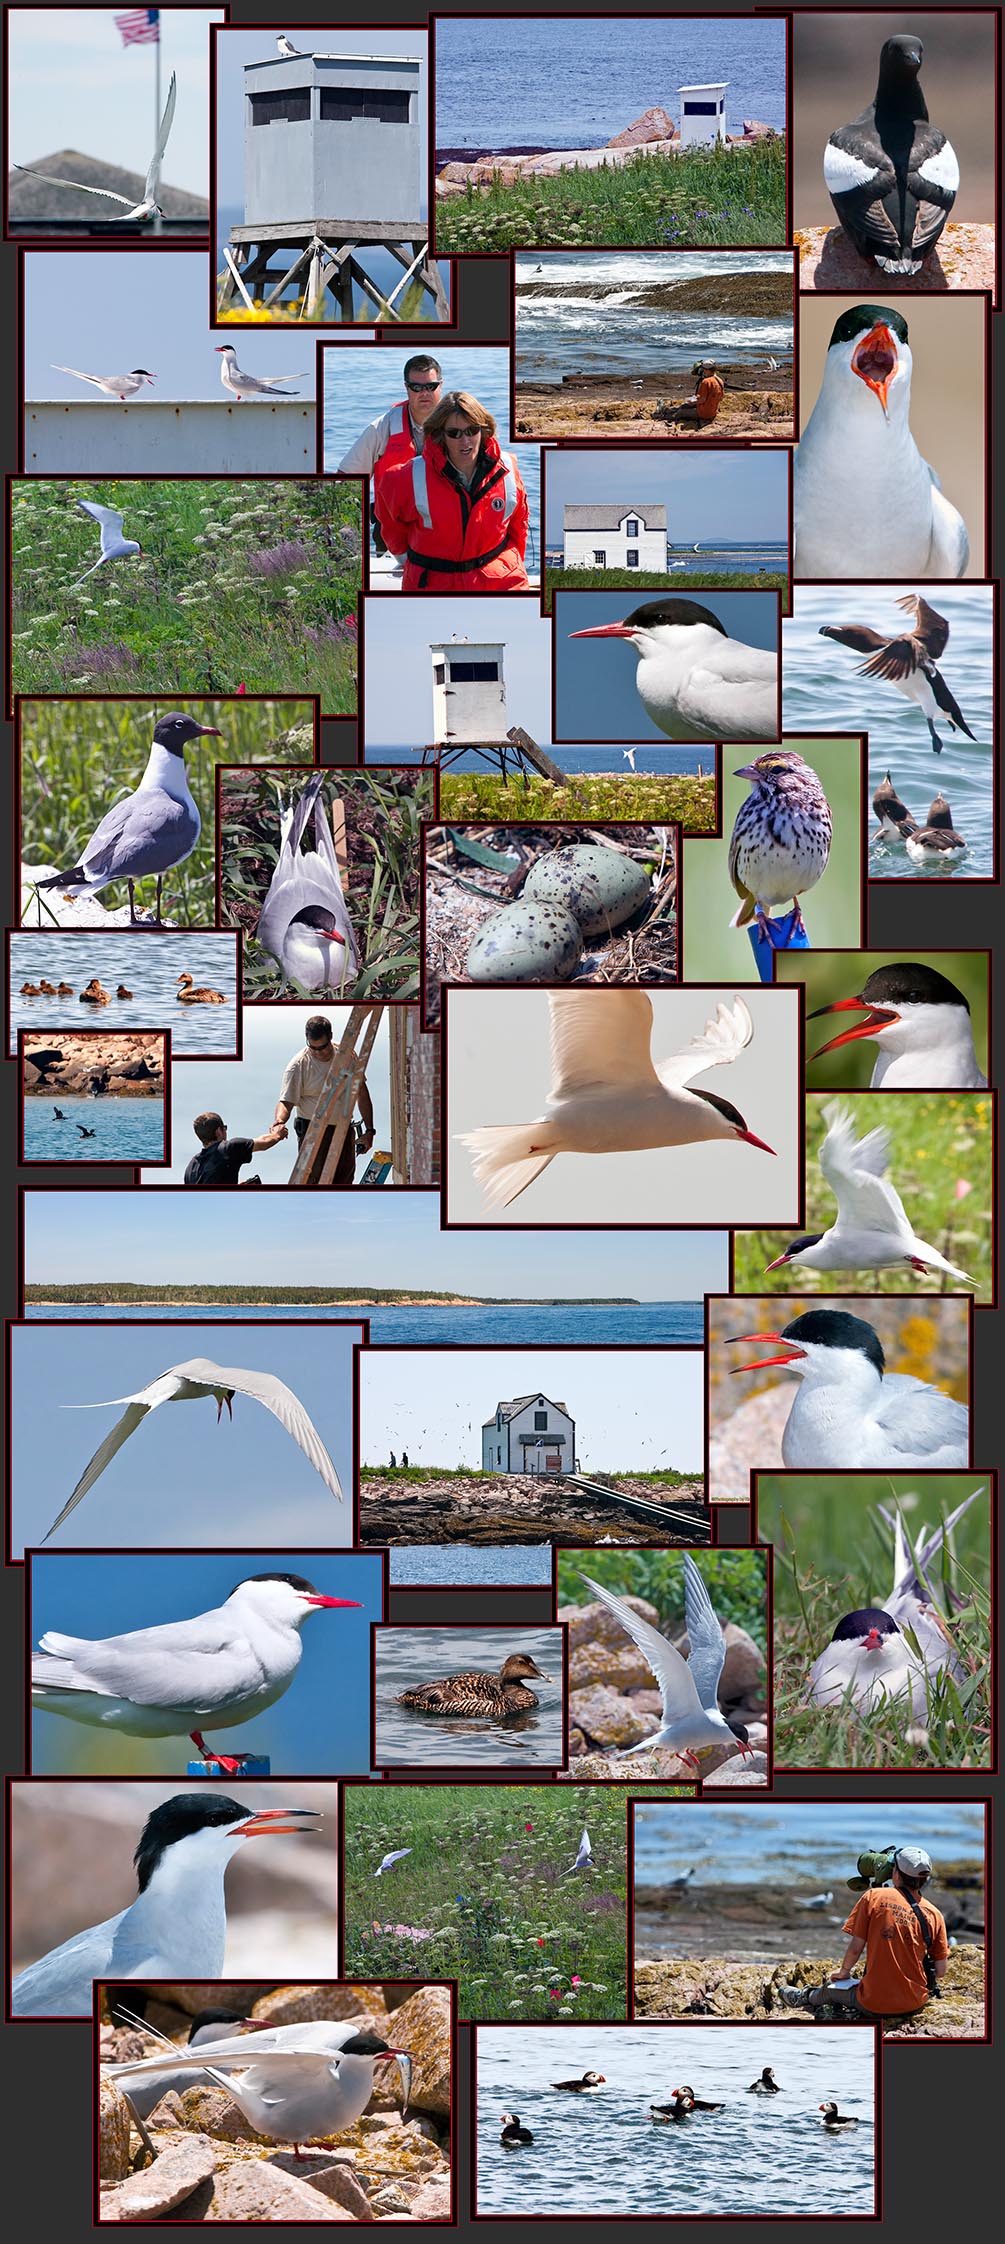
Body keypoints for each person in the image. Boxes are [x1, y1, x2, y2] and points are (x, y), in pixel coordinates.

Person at [375, 391, 530, 590]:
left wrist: (507, 565)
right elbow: (391, 528)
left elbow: (519, 526)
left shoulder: (509, 469)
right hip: (433, 584)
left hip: (502, 580)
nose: (465, 441)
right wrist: (412, 563)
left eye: (472, 430)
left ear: (483, 430)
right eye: (454, 433)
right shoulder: (404, 478)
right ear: (440, 435)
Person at [801, 1847, 949, 2023]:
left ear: (895, 1873)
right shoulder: (934, 1914)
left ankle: (806, 1996)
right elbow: (940, 1971)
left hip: (873, 2004)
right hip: (914, 2002)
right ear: (925, 1879)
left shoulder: (874, 1896)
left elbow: (856, 1948)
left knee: (831, 1989)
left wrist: (844, 1972)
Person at [336, 355, 443, 551]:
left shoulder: (457, 428)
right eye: (416, 387)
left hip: (443, 530)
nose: (424, 393)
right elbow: (346, 483)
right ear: (406, 387)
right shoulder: (381, 428)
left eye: (431, 386)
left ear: (440, 386)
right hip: (392, 534)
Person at [273, 1015, 374, 1185]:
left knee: (344, 1180)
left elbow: (361, 1092)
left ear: (331, 1036)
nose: (319, 1052)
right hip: (312, 1131)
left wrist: (370, 1131)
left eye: (323, 1047)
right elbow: (286, 1101)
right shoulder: (298, 1065)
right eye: (313, 1048)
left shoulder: (347, 1056)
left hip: (343, 1128)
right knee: (314, 1181)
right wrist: (278, 1123)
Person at [184, 1111, 287, 1186]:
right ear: (218, 1131)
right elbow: (264, 1142)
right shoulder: (228, 1148)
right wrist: (278, 1134)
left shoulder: (191, 1167)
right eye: (225, 1128)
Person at [661, 362, 725, 428]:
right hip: (713, 411)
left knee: (681, 412)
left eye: (704, 369)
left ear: (708, 370)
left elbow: (702, 400)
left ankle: (662, 416)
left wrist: (693, 402)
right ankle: (668, 410)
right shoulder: (720, 380)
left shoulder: (706, 381)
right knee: (684, 406)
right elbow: (721, 397)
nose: (703, 371)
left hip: (704, 413)